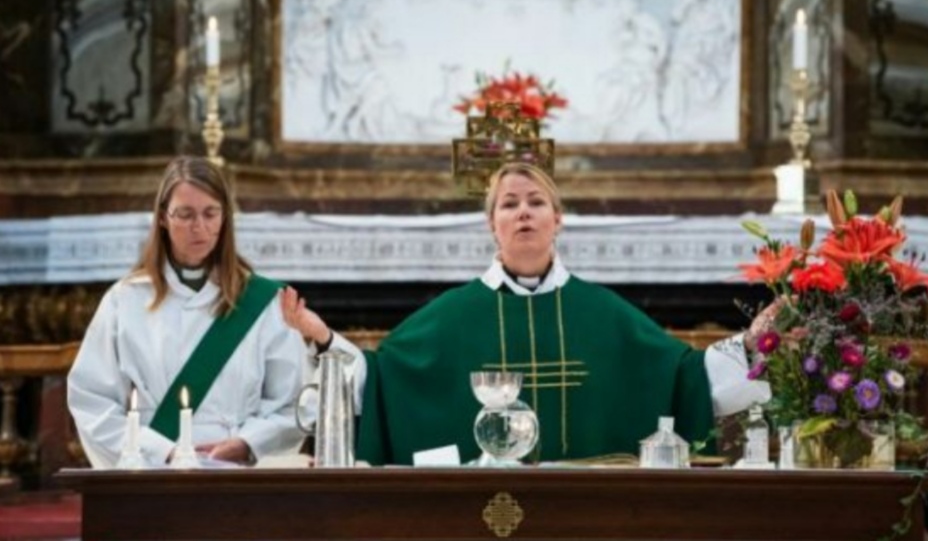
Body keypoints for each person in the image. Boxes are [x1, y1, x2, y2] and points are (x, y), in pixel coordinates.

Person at [285, 162, 773, 465]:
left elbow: (684, 376)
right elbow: (382, 378)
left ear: (557, 220)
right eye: (509, 204)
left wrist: (754, 344)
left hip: (586, 512)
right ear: (491, 224)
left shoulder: (603, 312)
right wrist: (325, 337)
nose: (523, 212)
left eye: (536, 202)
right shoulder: (451, 316)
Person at [67, 156, 355, 468]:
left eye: (210, 213)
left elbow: (293, 402)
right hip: (152, 471)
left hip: (238, 472)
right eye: (185, 214)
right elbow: (91, 400)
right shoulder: (125, 300)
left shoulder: (262, 301)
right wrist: (159, 451)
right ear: (163, 217)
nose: (199, 228)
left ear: (224, 218)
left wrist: (247, 443)